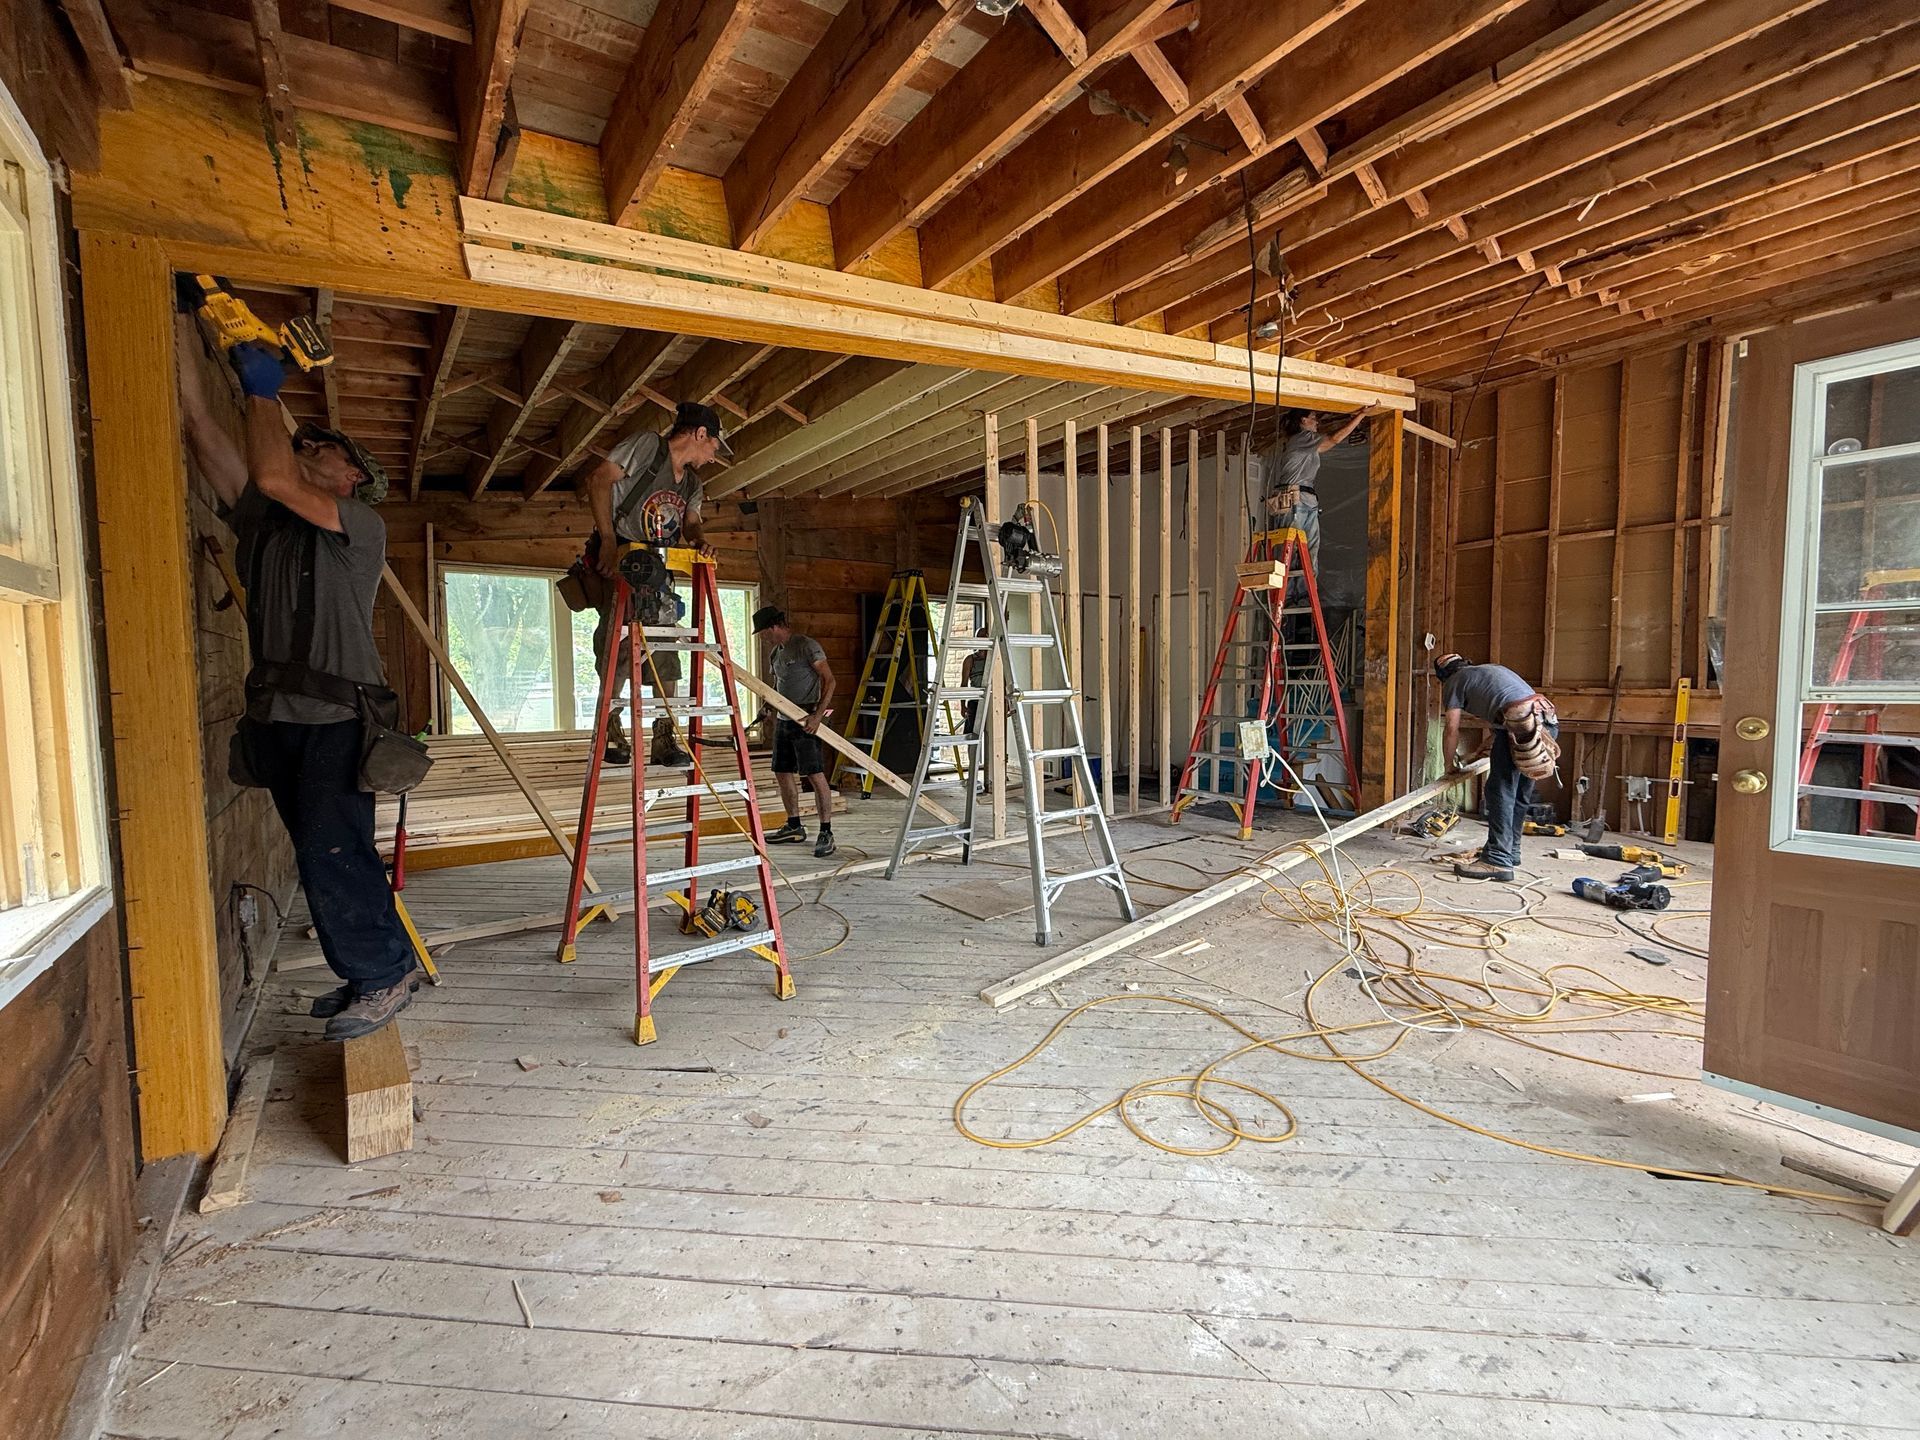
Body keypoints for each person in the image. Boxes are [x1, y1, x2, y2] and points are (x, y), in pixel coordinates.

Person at [176, 319, 418, 1041]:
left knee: (332, 852)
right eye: (301, 440)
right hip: (278, 721)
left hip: (337, 723)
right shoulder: (263, 519)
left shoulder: (359, 526)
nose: (307, 448)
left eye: (324, 448)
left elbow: (275, 472)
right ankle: (375, 966)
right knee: (325, 853)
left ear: (351, 478)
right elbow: (195, 422)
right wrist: (185, 320)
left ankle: (381, 976)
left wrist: (259, 393)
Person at [580, 401, 730, 767]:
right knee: (617, 649)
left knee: (665, 650)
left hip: (660, 570)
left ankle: (665, 736)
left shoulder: (693, 482)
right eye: (714, 446)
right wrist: (609, 542)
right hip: (624, 561)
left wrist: (699, 539)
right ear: (699, 434)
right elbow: (599, 480)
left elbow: (691, 522)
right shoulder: (649, 447)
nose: (714, 455)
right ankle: (611, 729)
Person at [1436, 653, 1561, 882]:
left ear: (1443, 676)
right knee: (1521, 790)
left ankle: (1497, 860)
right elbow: (1505, 715)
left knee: (1499, 790)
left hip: (1519, 724)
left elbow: (1451, 728)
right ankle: (1510, 851)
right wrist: (1475, 754)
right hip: (1545, 720)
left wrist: (1448, 765)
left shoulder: (1455, 681)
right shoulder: (1489, 670)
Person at [754, 606, 838, 857]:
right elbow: (778, 686)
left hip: (805, 720)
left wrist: (818, 716)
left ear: (774, 627)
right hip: (784, 720)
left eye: (763, 632)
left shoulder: (805, 646)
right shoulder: (775, 654)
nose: (763, 637)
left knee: (814, 774)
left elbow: (830, 680)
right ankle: (794, 826)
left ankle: (826, 831)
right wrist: (767, 707)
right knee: (782, 772)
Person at [1263, 407, 1375, 574]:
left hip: (1305, 499)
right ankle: (1288, 597)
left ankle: (1304, 596)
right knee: (1292, 551)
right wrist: (1361, 416)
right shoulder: (1302, 438)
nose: (1317, 422)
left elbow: (1327, 444)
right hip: (1294, 498)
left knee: (1308, 551)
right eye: (1313, 418)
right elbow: (1334, 439)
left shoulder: (1308, 445)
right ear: (1303, 421)